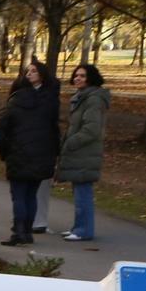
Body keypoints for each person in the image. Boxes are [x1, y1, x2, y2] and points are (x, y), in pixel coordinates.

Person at [0, 61, 60, 246]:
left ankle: (19, 231)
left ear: (42, 75)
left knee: (20, 195)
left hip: (19, 153)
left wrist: (5, 151)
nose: (29, 74)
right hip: (41, 154)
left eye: (33, 71)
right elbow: (54, 130)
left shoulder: (16, 100)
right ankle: (27, 231)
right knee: (31, 194)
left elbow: (0, 130)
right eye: (27, 71)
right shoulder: (51, 100)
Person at [56, 63, 109, 242]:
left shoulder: (93, 99)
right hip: (79, 152)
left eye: (83, 76)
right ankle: (78, 227)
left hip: (85, 152)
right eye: (76, 75)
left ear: (91, 78)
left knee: (83, 193)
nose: (78, 78)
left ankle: (83, 230)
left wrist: (71, 142)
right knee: (78, 192)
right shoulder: (81, 97)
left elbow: (91, 129)